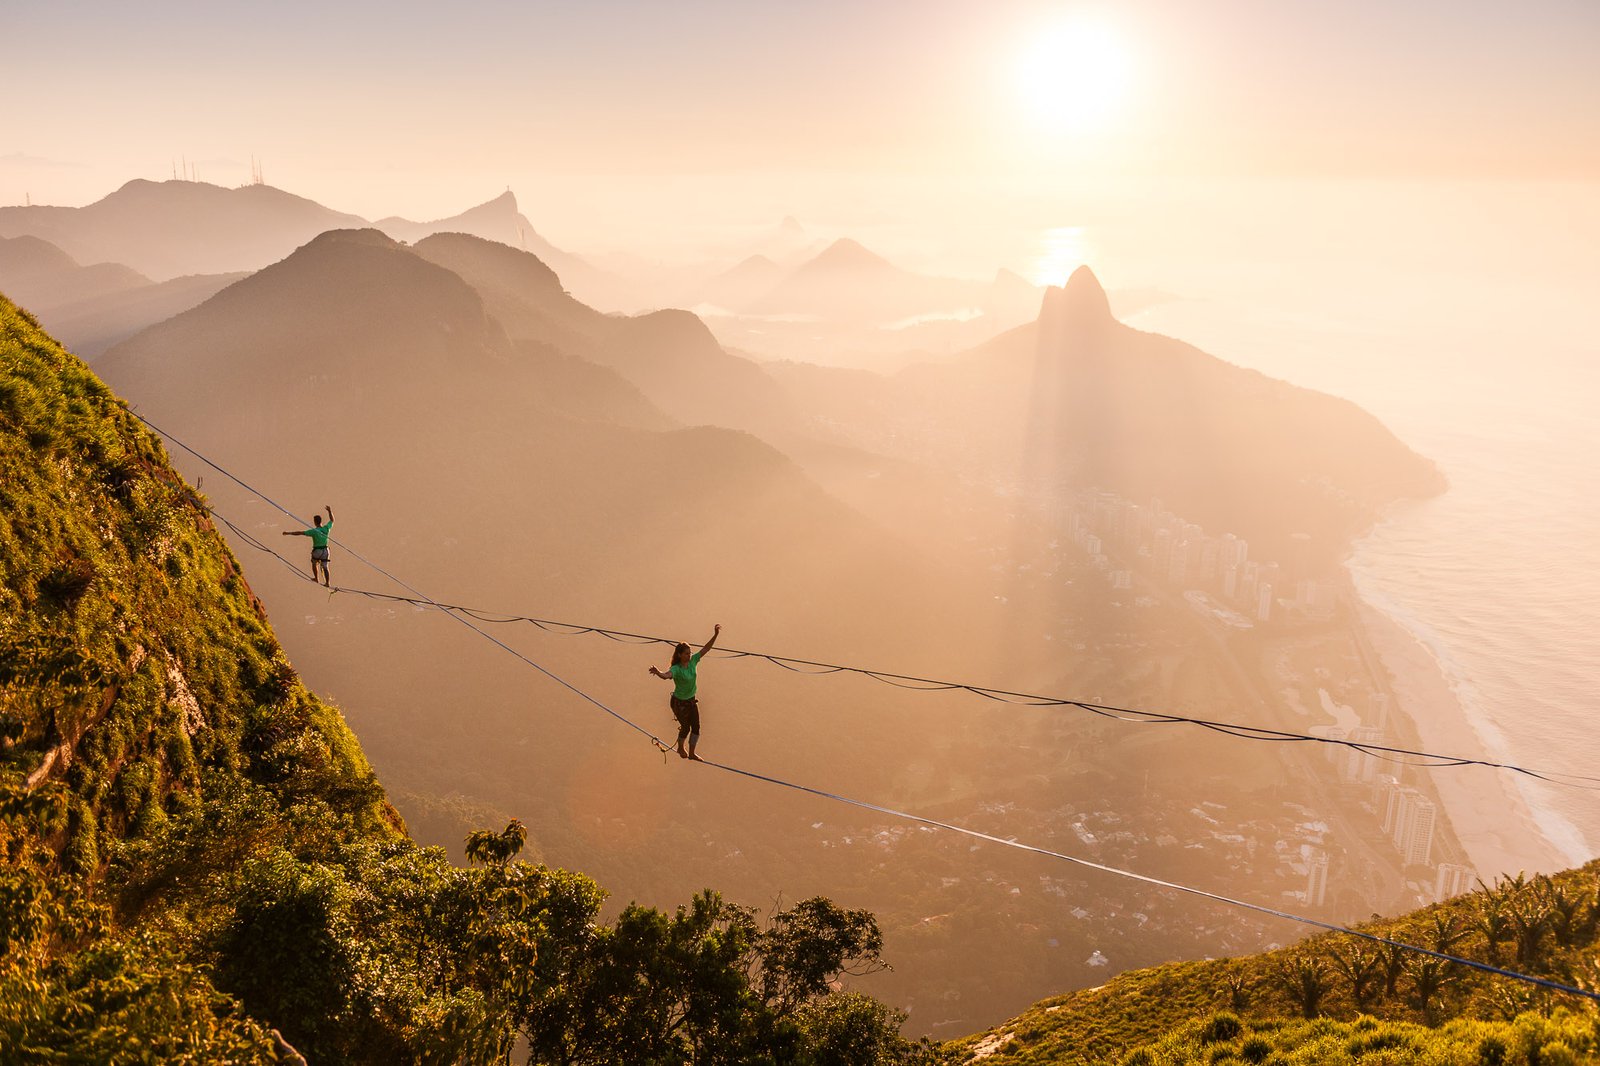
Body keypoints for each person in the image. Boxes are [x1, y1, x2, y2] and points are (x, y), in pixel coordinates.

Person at [649, 624, 720, 761]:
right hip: (679, 703)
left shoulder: (693, 661)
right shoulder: (676, 669)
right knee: (686, 727)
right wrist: (658, 673)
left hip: (691, 700)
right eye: (686, 653)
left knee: (696, 727)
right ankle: (681, 748)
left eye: (690, 652)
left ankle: (692, 753)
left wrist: (715, 635)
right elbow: (666, 675)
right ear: (680, 655)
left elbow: (706, 649)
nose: (689, 655)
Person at [282, 505, 335, 586]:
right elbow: (332, 520)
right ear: (321, 521)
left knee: (314, 562)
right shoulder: (326, 528)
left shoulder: (314, 531)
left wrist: (288, 533)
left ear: (315, 522)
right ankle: (327, 583)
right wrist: (329, 511)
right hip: (325, 551)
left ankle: (316, 578)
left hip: (317, 550)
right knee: (325, 567)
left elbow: (300, 533)